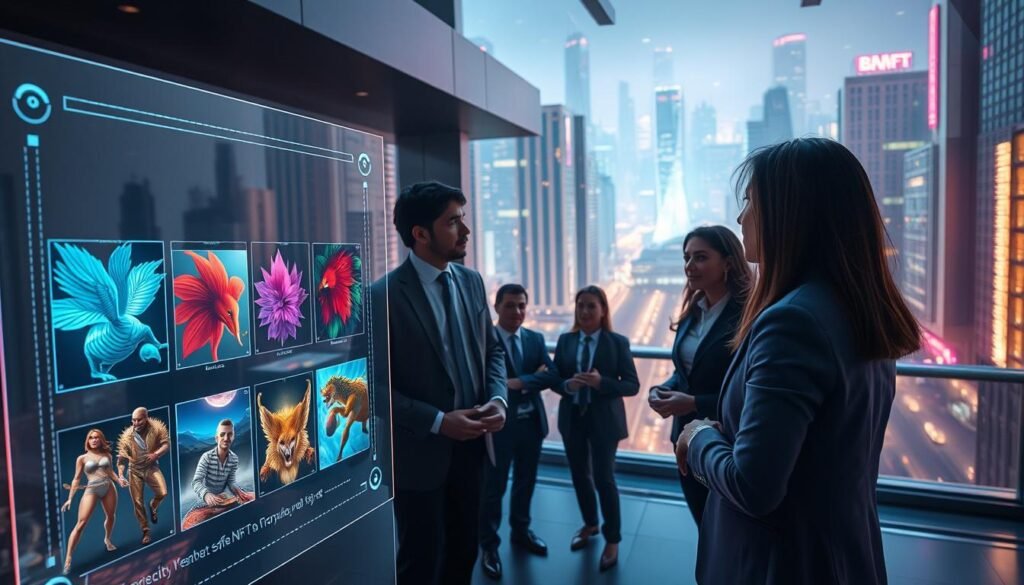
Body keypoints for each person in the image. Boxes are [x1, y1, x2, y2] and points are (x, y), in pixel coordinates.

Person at [678, 138, 921, 584]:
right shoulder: (855, 307)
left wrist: (697, 439)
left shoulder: (794, 322)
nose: (741, 217)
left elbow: (755, 487)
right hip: (843, 551)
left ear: (787, 212)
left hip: (781, 562)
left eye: (750, 201)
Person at [371, 181, 507, 585]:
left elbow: (493, 353)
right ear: (420, 233)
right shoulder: (383, 297)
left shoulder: (471, 281)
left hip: (474, 450)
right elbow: (370, 390)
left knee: (464, 552)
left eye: (462, 220)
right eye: (453, 222)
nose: (465, 231)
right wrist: (437, 420)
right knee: (419, 562)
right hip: (419, 457)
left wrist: (498, 400)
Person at [647, 226, 751, 527]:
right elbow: (685, 372)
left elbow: (747, 393)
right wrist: (663, 390)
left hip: (726, 443)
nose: (689, 267)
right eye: (687, 257)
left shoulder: (748, 315)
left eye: (701, 257)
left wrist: (693, 403)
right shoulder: (694, 309)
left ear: (729, 263)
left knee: (728, 532)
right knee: (702, 523)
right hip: (684, 440)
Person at [550, 285, 639, 572]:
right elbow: (555, 379)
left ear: (603, 310)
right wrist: (567, 385)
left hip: (604, 421)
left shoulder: (617, 342)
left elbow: (632, 385)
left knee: (603, 478)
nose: (585, 311)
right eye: (580, 306)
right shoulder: (565, 341)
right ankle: (591, 524)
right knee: (579, 475)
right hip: (573, 417)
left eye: (591, 306)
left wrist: (602, 384)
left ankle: (612, 538)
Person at [479, 284, 558, 579]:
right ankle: (488, 544)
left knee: (526, 481)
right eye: (510, 305)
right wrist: (530, 379)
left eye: (522, 305)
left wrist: (518, 382)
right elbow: (484, 382)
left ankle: (521, 531)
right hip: (498, 427)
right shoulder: (486, 340)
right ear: (497, 308)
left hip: (531, 426)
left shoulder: (535, 339)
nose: (517, 312)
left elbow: (552, 374)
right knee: (493, 487)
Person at [61, 429, 120, 574]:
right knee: (81, 524)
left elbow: (110, 472)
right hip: (92, 489)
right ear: (87, 440)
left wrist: (119, 481)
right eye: (91, 438)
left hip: (108, 486)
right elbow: (76, 479)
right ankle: (68, 558)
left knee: (111, 516)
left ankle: (107, 539)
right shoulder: (82, 458)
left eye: (97, 438)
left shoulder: (107, 455)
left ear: (101, 440)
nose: (94, 440)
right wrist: (70, 499)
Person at [116, 407, 169, 545]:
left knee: (163, 492)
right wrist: (121, 474)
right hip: (134, 471)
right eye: (133, 420)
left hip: (151, 468)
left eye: (139, 420)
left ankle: (153, 505)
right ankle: (145, 530)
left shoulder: (157, 427)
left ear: (146, 418)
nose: (136, 423)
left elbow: (166, 445)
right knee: (138, 502)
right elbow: (121, 460)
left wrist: (156, 454)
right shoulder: (127, 436)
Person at [187, 419, 255, 526]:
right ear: (216, 438)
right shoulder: (206, 457)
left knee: (252, 499)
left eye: (230, 434)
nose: (226, 438)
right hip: (206, 501)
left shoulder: (234, 459)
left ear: (233, 437)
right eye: (222, 434)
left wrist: (238, 491)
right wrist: (206, 495)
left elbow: (231, 482)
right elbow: (196, 482)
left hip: (225, 498)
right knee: (189, 522)